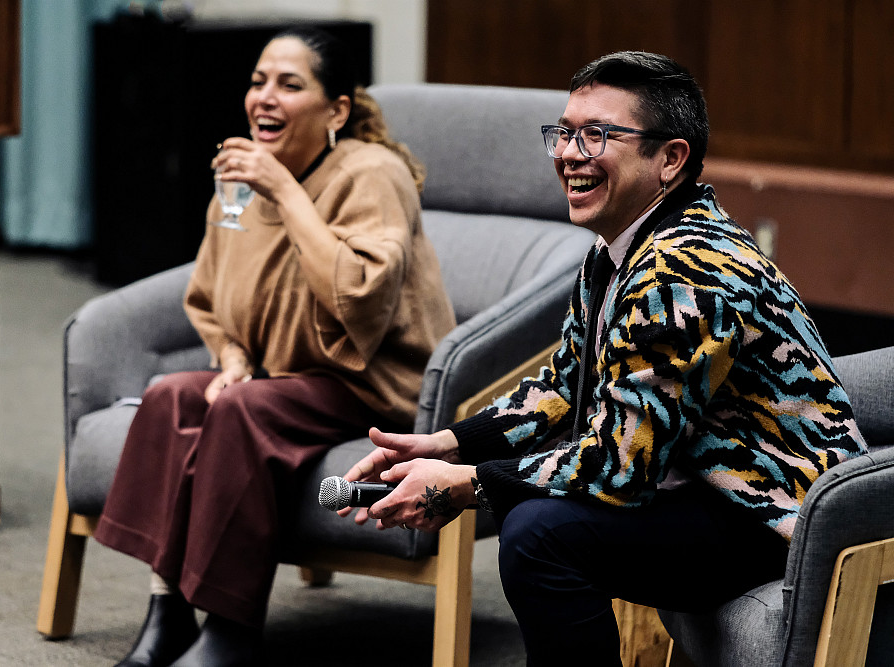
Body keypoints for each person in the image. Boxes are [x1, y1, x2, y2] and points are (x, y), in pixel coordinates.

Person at [339, 51, 867, 666]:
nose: (568, 154)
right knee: (537, 522)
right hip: (701, 485)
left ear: (670, 159)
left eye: (597, 135)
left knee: (540, 535)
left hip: (769, 513)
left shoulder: (688, 270)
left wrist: (466, 486)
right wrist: (451, 444)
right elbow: (565, 387)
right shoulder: (618, 250)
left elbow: (621, 466)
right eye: (564, 133)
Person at [94, 26, 455, 667]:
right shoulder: (238, 183)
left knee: (241, 411)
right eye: (258, 81)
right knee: (172, 397)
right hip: (277, 377)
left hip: (368, 384)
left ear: (337, 110)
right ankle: (168, 612)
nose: (265, 96)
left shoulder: (374, 173)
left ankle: (232, 630)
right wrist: (231, 357)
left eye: (290, 85)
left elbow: (359, 297)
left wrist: (285, 192)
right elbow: (211, 293)